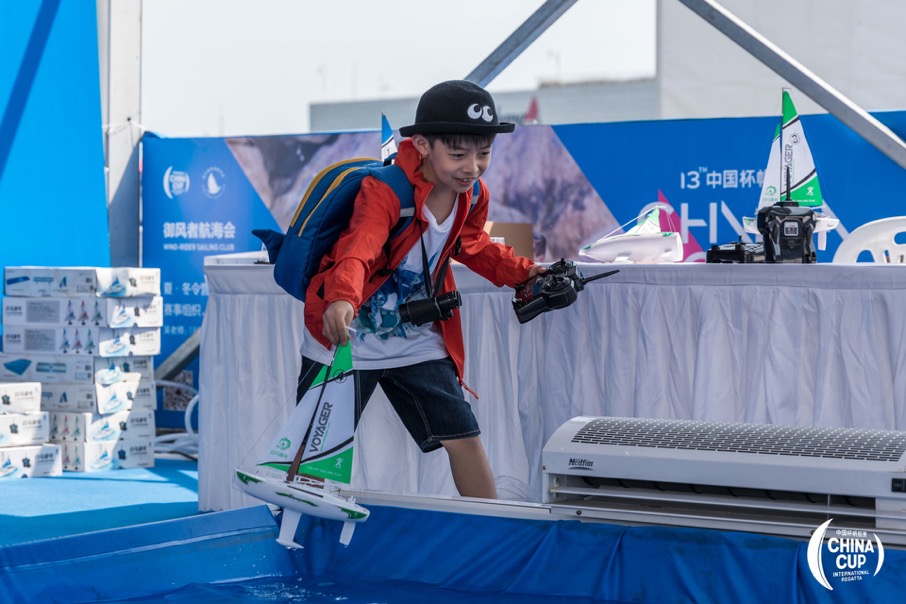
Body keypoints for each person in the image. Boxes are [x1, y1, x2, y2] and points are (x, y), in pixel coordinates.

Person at [297, 79, 544, 499]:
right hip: (349, 337)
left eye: (484, 154)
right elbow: (360, 247)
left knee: (463, 436)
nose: (472, 167)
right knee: (314, 446)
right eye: (459, 154)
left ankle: (489, 526)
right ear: (424, 145)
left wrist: (526, 273)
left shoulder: (473, 194)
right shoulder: (386, 189)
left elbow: (473, 244)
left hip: (418, 339)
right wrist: (342, 298)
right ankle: (299, 521)